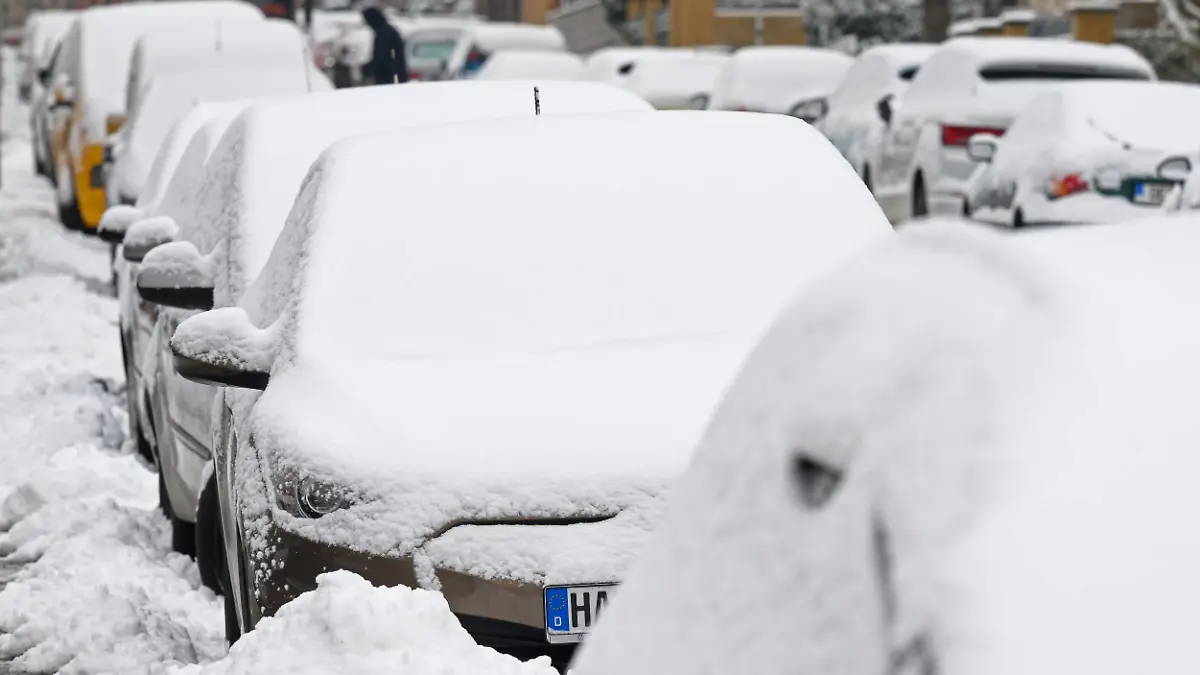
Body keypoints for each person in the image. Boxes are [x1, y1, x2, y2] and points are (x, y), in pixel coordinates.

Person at [361, 6, 408, 85]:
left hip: (388, 77)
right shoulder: (387, 31)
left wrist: (368, 68)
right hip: (396, 74)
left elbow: (382, 57)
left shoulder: (383, 34)